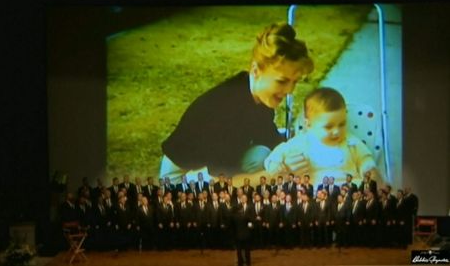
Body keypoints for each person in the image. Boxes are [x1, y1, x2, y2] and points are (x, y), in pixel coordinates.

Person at [159, 22, 314, 183]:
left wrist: (298, 149)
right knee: (265, 164)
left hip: (219, 159)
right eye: (282, 81)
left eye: (294, 82)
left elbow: (270, 139)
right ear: (255, 71)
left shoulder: (257, 95)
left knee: (263, 155)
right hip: (183, 177)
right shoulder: (225, 111)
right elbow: (226, 183)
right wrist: (280, 173)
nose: (289, 90)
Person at [264, 87, 380, 186]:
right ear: (308, 124)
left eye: (342, 124)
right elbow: (277, 155)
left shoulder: (350, 142)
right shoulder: (301, 143)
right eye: (329, 127)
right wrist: (274, 165)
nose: (336, 131)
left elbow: (365, 160)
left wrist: (370, 171)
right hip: (314, 194)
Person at [233, 194, 255, 266]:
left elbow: (252, 218)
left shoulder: (250, 207)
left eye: (244, 198)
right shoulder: (238, 208)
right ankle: (244, 262)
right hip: (242, 233)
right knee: (242, 250)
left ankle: (244, 262)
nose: (243, 199)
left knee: (243, 250)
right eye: (242, 198)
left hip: (243, 233)